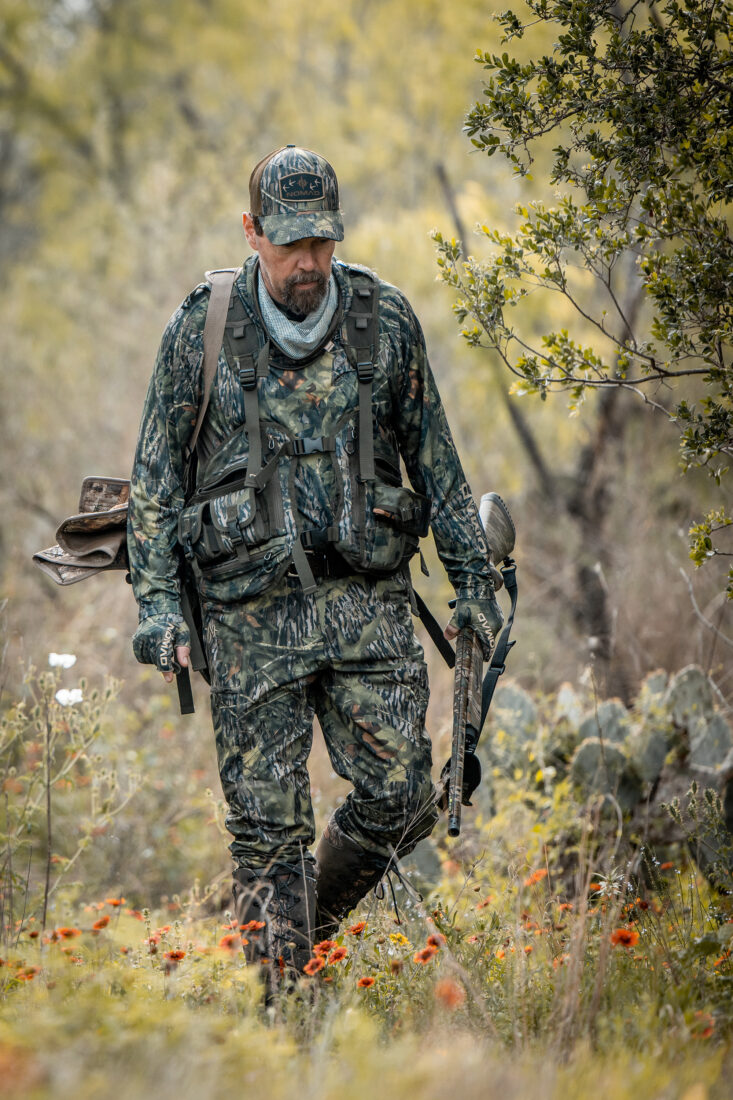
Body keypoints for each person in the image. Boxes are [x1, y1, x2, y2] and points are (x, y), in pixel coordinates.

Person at [127, 145, 502, 979]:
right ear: (253, 233)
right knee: (265, 826)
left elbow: (438, 468)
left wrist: (473, 587)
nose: (309, 262)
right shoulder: (205, 327)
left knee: (407, 797)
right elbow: (152, 484)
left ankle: (304, 928)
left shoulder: (384, 321)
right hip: (248, 614)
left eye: (322, 242)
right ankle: (280, 1012)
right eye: (291, 242)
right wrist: (157, 610)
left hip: (365, 604)